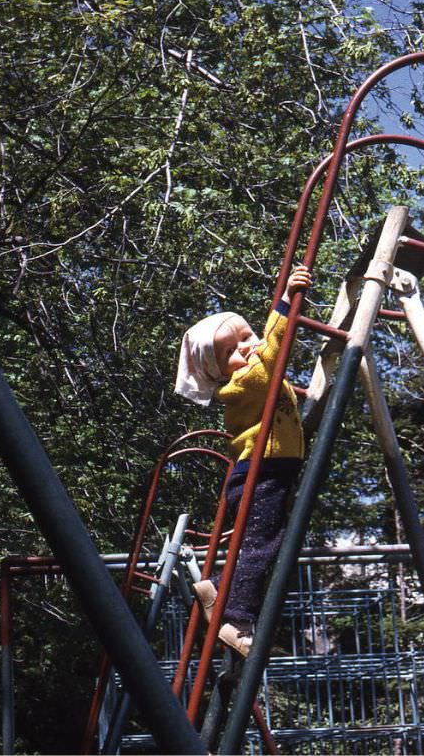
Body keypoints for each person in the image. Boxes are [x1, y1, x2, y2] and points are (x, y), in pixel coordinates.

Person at [174, 265, 312, 655]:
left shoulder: (257, 376)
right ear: (218, 372)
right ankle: (235, 619)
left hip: (266, 470)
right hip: (261, 472)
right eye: (231, 351)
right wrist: (286, 302)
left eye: (247, 336)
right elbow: (275, 350)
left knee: (258, 543)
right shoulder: (247, 380)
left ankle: (218, 586)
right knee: (260, 545)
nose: (246, 348)